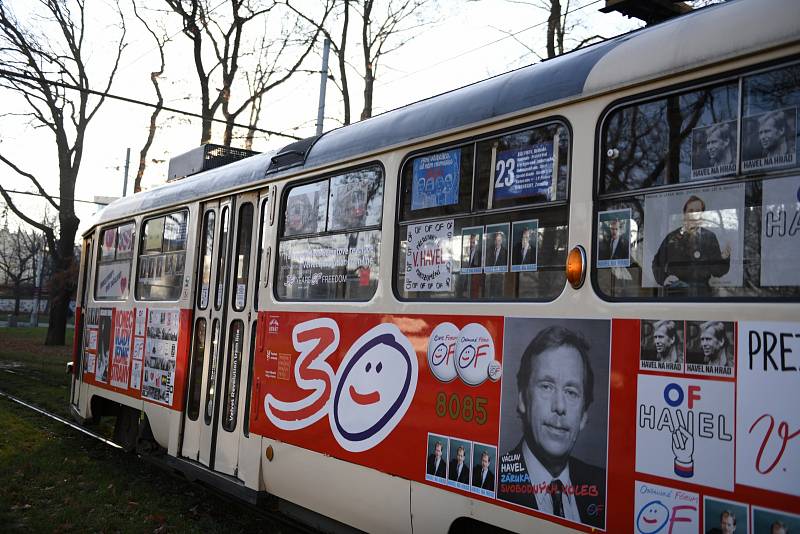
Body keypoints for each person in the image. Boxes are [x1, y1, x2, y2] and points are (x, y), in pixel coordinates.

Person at [498, 326, 605, 528]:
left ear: (583, 415)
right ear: (522, 398)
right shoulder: (490, 480)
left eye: (571, 392)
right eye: (546, 386)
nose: (560, 407)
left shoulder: (604, 486)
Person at [651, 195, 731, 289]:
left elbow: (717, 272)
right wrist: (664, 279)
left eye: (697, 211)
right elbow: (657, 263)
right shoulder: (672, 237)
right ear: (685, 213)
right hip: (676, 294)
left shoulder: (710, 237)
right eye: (691, 211)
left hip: (702, 295)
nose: (693, 214)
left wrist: (724, 258)